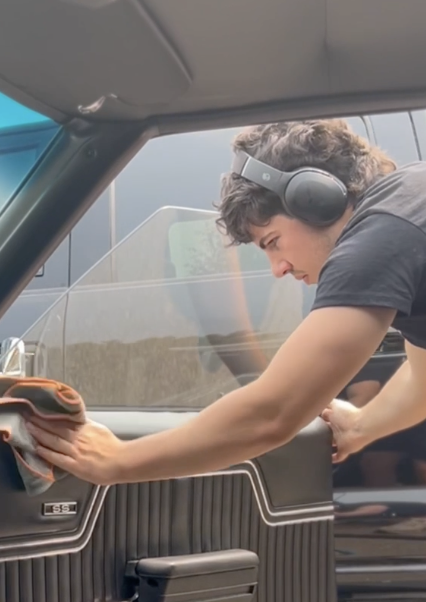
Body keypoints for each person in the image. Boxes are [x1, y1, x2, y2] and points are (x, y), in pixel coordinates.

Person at [27, 119, 426, 483]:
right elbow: (420, 380)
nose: (278, 269)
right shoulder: (408, 205)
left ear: (315, 199)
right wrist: (360, 426)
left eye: (272, 242)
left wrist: (118, 460)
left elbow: (273, 413)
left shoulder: (380, 238)